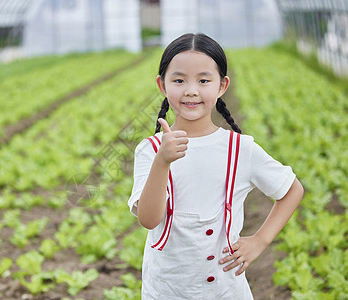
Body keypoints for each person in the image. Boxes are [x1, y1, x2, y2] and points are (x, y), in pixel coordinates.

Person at [127, 33, 304, 299]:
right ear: (162, 85)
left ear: (222, 86)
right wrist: (162, 161)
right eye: (178, 80)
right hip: (165, 289)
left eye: (203, 80)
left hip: (225, 289)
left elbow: (291, 190)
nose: (191, 90)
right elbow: (149, 219)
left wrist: (260, 241)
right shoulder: (150, 150)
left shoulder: (240, 149)